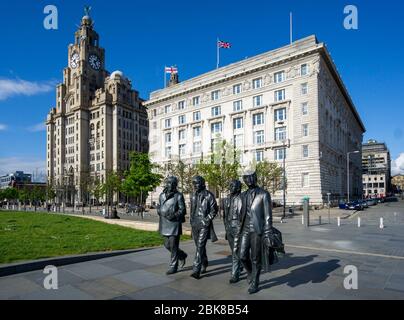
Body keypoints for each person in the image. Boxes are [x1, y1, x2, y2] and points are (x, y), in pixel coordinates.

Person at [239, 170, 274, 294]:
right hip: (245, 229)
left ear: (255, 178)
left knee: (255, 257)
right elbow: (242, 212)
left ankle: (255, 281)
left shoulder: (264, 194)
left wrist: (268, 232)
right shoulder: (243, 195)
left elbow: (268, 216)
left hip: (257, 229)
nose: (248, 180)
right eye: (246, 178)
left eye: (250, 178)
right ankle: (250, 273)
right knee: (242, 255)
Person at [157, 176, 188, 275]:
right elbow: (160, 206)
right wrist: (159, 210)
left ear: (174, 185)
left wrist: (174, 215)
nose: (168, 185)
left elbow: (183, 210)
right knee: (167, 245)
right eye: (167, 183)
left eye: (171, 183)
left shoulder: (178, 196)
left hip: (174, 224)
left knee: (173, 246)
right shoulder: (162, 195)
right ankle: (182, 255)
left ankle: (173, 266)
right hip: (164, 223)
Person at [189, 176, 218, 279]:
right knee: (199, 246)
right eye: (193, 184)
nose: (194, 186)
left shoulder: (209, 195)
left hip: (204, 223)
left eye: (196, 183)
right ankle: (204, 262)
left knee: (200, 245)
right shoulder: (192, 195)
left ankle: (196, 270)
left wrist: (206, 220)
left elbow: (214, 210)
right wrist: (191, 220)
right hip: (195, 223)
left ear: (202, 183)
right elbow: (192, 209)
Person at [222, 179, 244, 284]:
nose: (230, 187)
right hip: (229, 228)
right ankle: (240, 265)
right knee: (234, 250)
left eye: (233, 186)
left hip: (239, 228)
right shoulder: (226, 199)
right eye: (230, 185)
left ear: (239, 187)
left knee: (235, 251)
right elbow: (225, 216)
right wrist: (226, 229)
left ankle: (234, 274)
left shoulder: (243, 198)